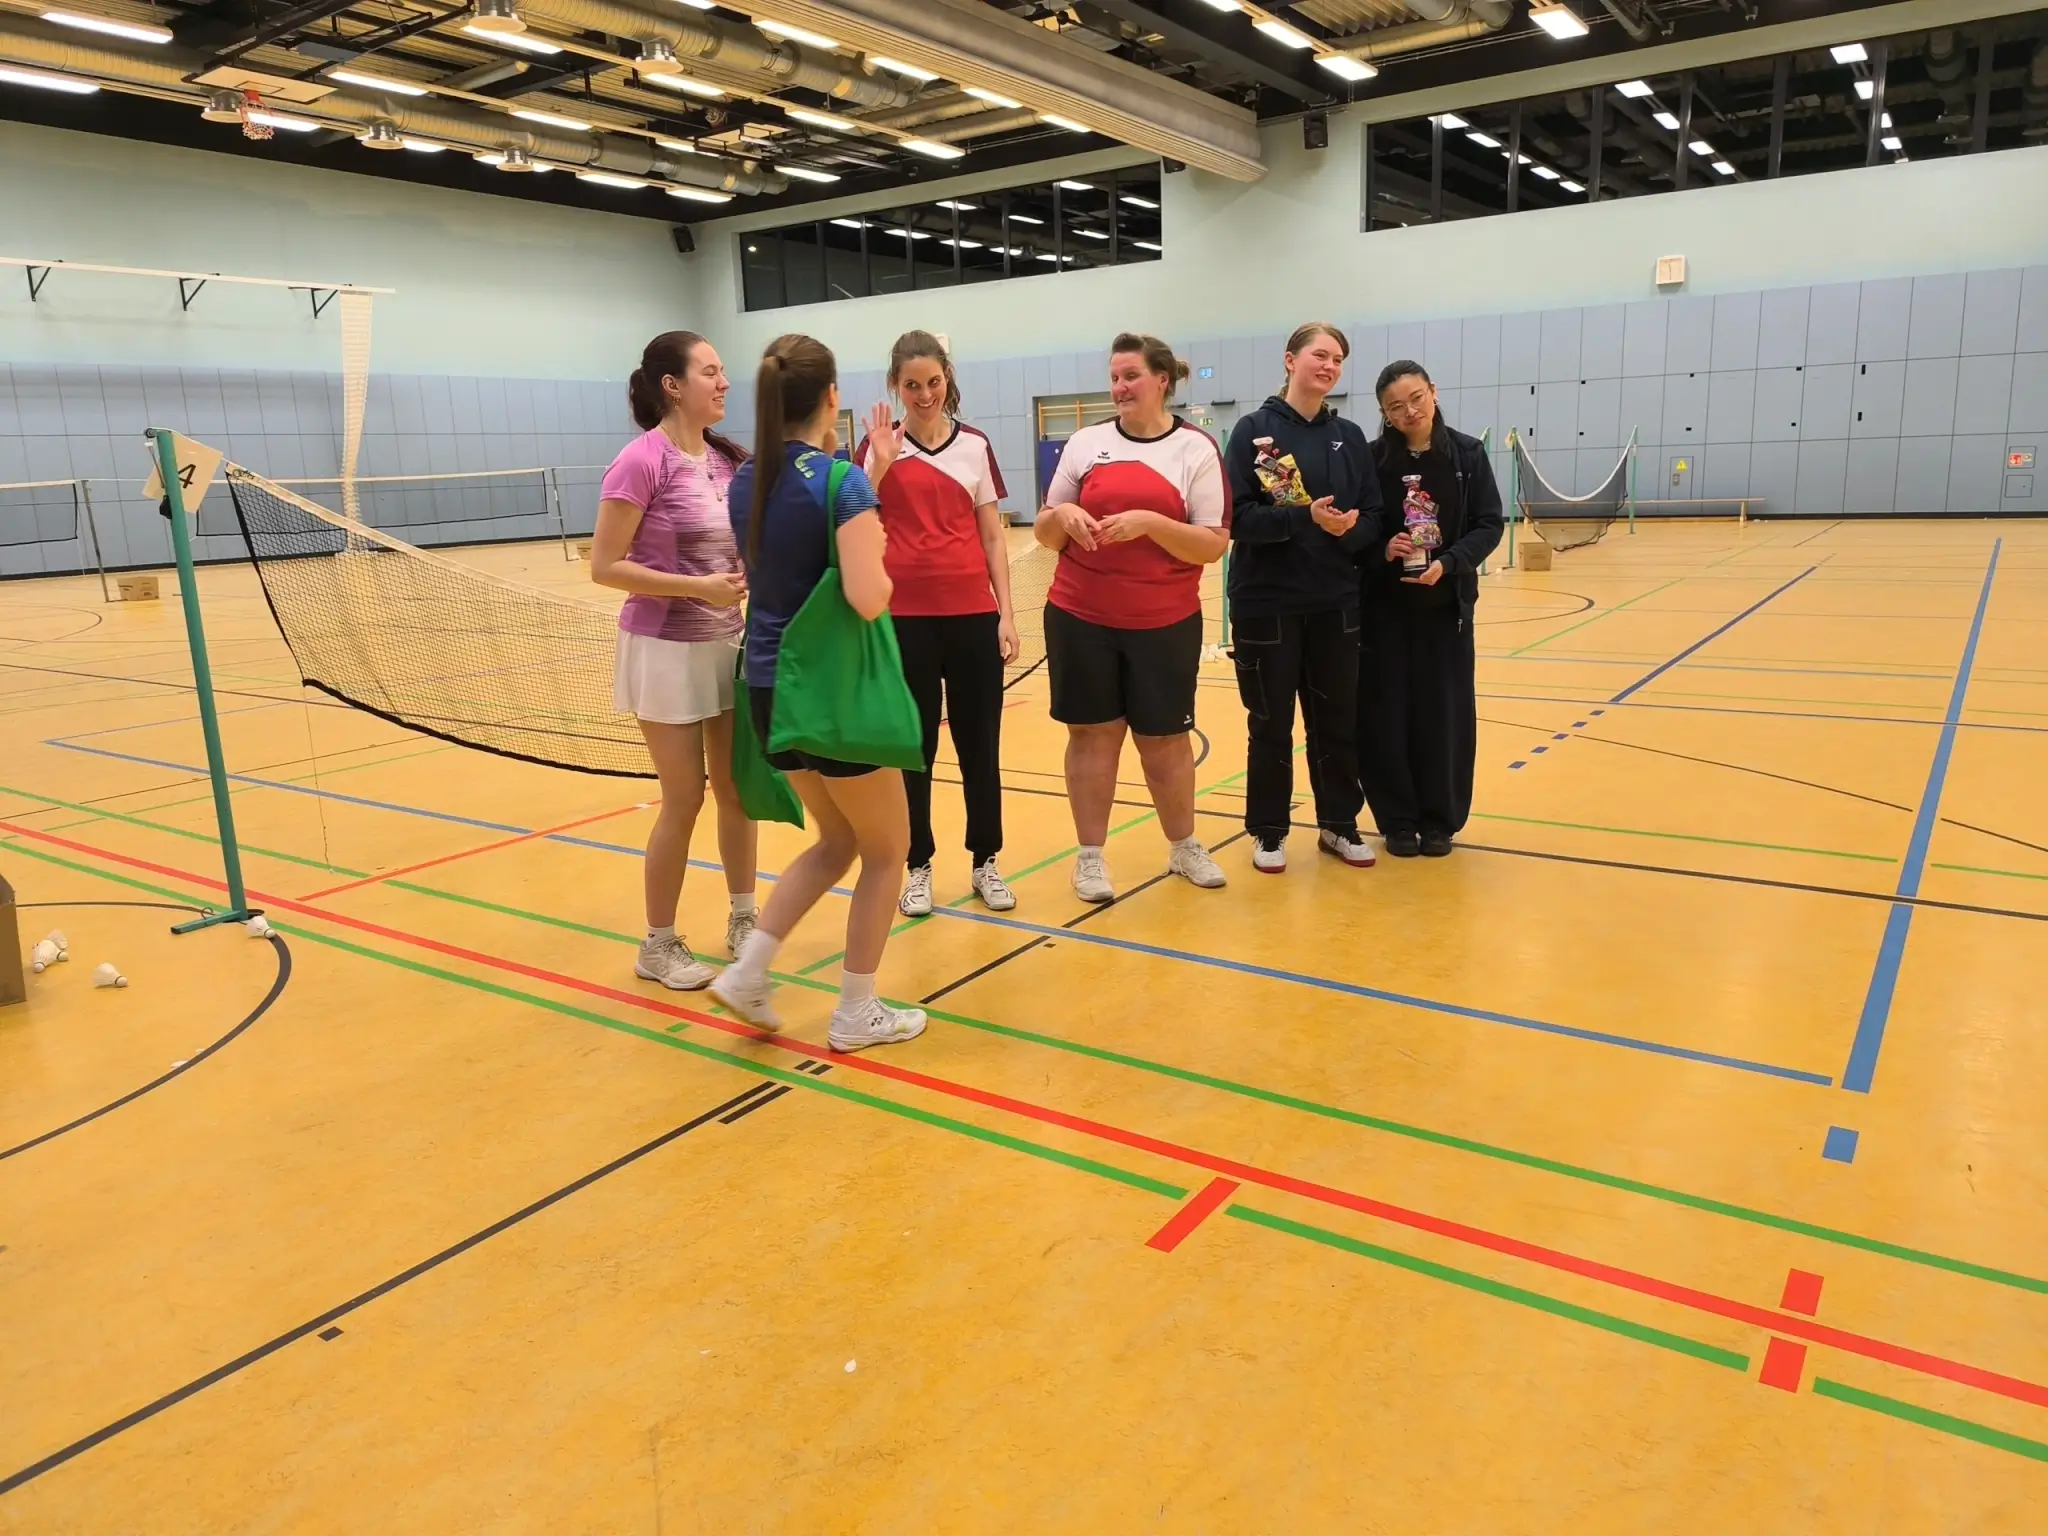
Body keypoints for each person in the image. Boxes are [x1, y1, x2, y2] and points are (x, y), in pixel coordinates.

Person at [710, 333, 926, 1052]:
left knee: (837, 840)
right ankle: (856, 1010)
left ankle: (748, 972)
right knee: (888, 851)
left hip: (770, 690)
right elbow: (867, 596)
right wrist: (882, 551)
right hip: (832, 694)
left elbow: (803, 529)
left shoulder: (747, 479)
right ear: (832, 396)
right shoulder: (841, 485)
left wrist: (872, 473)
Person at [1035, 332, 1231, 902]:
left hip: (1165, 622)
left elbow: (1212, 544)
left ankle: (1184, 846)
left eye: (1131, 376)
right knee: (1092, 736)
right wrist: (1062, 515)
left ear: (1162, 380)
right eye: (1115, 378)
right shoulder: (1085, 443)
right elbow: (1046, 531)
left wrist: (1150, 523)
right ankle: (1090, 858)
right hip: (1080, 615)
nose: (1119, 387)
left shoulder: (1195, 450)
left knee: (1165, 739)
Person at [592, 330, 757, 991]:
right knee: (684, 797)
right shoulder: (640, 462)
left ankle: (744, 917)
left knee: (737, 788)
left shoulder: (728, 461)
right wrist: (696, 588)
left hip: (727, 642)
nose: (723, 382)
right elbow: (606, 566)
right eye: (710, 371)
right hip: (663, 649)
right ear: (673, 385)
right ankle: (657, 945)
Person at [855, 330, 1020, 919]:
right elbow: (853, 520)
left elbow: (992, 536)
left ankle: (985, 862)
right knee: (912, 751)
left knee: (980, 746)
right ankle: (918, 865)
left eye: (933, 382)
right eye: (911, 385)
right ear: (894, 386)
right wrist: (879, 463)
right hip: (903, 624)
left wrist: (1005, 614)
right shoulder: (877, 447)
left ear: (947, 377)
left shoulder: (974, 445)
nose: (924, 395)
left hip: (972, 618)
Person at [1224, 322, 1382, 875]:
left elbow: (1375, 515)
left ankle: (1339, 824)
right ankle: (1268, 832)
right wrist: (1304, 518)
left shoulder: (1351, 437)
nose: (1329, 366)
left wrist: (1349, 529)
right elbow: (1236, 517)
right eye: (1320, 355)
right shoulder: (1253, 432)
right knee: (1270, 725)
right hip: (1266, 606)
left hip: (1335, 602)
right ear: (1291, 360)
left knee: (1336, 721)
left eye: (1338, 359)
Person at [1362, 359, 1504, 858]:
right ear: (1384, 413)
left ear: (1433, 392)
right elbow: (1360, 527)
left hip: (1446, 611)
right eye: (1395, 406)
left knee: (1443, 715)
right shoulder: (1372, 459)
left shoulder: (1467, 454)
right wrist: (1383, 546)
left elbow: (1489, 523)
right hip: (1384, 612)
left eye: (1416, 398)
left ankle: (1440, 820)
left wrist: (1451, 562)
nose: (1409, 411)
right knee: (1386, 715)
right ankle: (1397, 820)